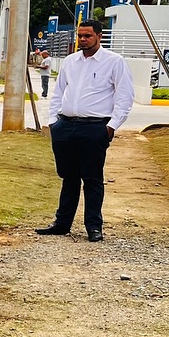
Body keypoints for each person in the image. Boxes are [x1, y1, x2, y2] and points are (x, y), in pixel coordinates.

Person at [37, 20, 134, 242]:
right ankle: (62, 224)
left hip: (94, 128)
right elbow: (58, 92)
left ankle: (93, 226)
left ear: (99, 36)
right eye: (80, 35)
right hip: (65, 126)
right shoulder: (70, 62)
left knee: (92, 179)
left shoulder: (114, 62)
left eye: (87, 36)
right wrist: (54, 122)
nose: (82, 39)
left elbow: (124, 97)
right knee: (68, 177)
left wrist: (111, 127)